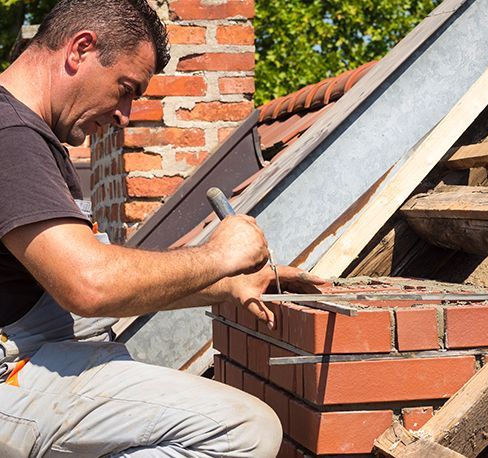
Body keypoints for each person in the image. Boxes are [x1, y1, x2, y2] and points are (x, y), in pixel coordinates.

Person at [0, 0, 324, 456]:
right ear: (81, 49)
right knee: (243, 431)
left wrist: (226, 285)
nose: (125, 114)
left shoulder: (32, 136)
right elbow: (90, 285)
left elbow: (90, 284)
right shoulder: (11, 137)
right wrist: (218, 255)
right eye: (126, 88)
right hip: (16, 374)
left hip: (44, 354)